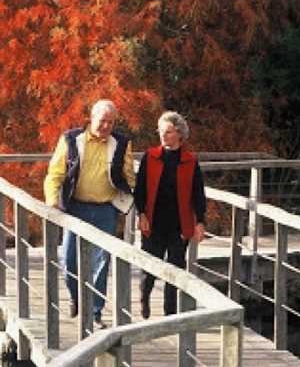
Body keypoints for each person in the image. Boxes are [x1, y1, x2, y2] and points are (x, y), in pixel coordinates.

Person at [43, 99, 135, 328]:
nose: (106, 126)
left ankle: (94, 312)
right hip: (75, 207)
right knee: (69, 259)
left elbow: (129, 176)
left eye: (111, 122)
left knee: (101, 262)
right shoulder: (71, 139)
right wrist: (52, 200)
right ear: (91, 119)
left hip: (106, 209)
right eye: (102, 121)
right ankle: (75, 297)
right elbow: (55, 173)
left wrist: (128, 200)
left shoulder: (122, 143)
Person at [134, 111, 206, 318]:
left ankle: (170, 314)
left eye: (168, 132)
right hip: (153, 222)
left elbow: (198, 193)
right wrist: (141, 214)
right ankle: (144, 297)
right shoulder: (151, 156)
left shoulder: (190, 161)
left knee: (174, 270)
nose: (163, 136)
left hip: (179, 224)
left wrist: (200, 222)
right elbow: (139, 189)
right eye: (161, 132)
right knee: (150, 267)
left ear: (180, 134)